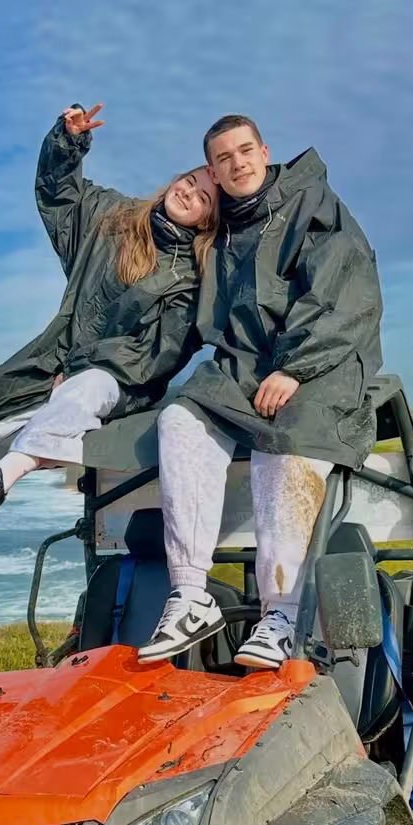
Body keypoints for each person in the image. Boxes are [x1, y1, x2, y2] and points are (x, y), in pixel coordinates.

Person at [0, 103, 218, 594]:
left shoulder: (192, 276)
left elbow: (161, 351)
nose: (189, 192)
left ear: (208, 221)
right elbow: (60, 195)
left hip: (123, 379)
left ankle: (5, 473)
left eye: (204, 197)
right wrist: (67, 141)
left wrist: (84, 365)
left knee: (85, 388)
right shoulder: (113, 219)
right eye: (188, 181)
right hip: (55, 358)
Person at [138, 114, 383, 668]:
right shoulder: (220, 232)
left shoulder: (312, 204)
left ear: (265, 151)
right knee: (180, 417)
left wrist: (295, 366)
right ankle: (189, 594)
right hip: (247, 368)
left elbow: (344, 292)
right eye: (223, 159)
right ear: (213, 172)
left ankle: (280, 614)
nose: (237, 163)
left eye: (245, 151)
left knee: (284, 443)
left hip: (322, 364)